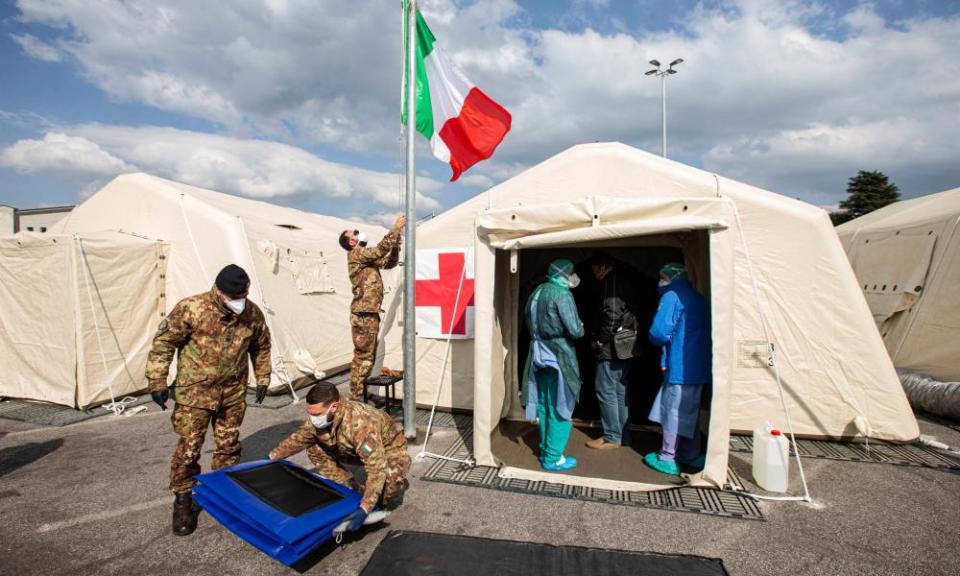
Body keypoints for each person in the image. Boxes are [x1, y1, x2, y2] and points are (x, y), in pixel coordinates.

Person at [146, 264, 272, 536]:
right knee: (189, 449)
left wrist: (263, 378)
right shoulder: (192, 308)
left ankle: (224, 494)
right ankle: (183, 498)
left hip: (232, 395)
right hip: (195, 395)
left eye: (243, 295)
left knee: (228, 447)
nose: (239, 302)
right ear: (219, 291)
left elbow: (261, 346)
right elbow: (164, 342)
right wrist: (157, 380)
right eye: (233, 297)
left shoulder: (251, 313)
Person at [269, 381, 411, 533]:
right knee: (312, 446)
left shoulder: (361, 423)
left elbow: (376, 468)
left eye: (317, 414)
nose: (313, 418)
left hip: (388, 451)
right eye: (310, 413)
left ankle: (377, 503)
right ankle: (351, 490)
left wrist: (366, 508)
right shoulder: (319, 418)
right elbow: (299, 439)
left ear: (334, 407)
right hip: (352, 449)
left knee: (390, 479)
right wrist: (271, 457)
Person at [644, 263, 711, 476]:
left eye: (662, 276)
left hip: (679, 364)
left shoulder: (672, 296)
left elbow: (659, 332)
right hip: (699, 365)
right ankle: (691, 454)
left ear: (670, 277)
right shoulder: (700, 298)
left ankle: (667, 457)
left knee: (672, 411)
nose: (660, 280)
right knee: (690, 411)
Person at [521, 259, 585, 472]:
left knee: (544, 403)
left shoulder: (537, 291)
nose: (574, 277)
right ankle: (553, 456)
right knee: (561, 405)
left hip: (538, 353)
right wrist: (581, 327)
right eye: (572, 273)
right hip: (558, 355)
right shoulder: (562, 294)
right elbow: (575, 330)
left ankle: (545, 448)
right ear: (564, 274)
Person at [339, 215, 405, 401]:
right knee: (363, 357)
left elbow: (388, 263)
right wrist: (395, 229)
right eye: (355, 233)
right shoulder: (356, 254)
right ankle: (356, 399)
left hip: (370, 312)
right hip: (363, 314)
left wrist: (395, 249)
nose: (358, 234)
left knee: (369, 356)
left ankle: (363, 393)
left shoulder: (364, 258)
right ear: (352, 241)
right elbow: (378, 251)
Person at [585, 253, 639, 451]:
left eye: (595, 269)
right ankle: (622, 436)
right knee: (619, 392)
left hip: (611, 348)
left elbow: (611, 315)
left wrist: (601, 340)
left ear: (602, 267)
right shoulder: (624, 280)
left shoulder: (611, 283)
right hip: (625, 347)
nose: (594, 273)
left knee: (606, 390)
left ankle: (611, 437)